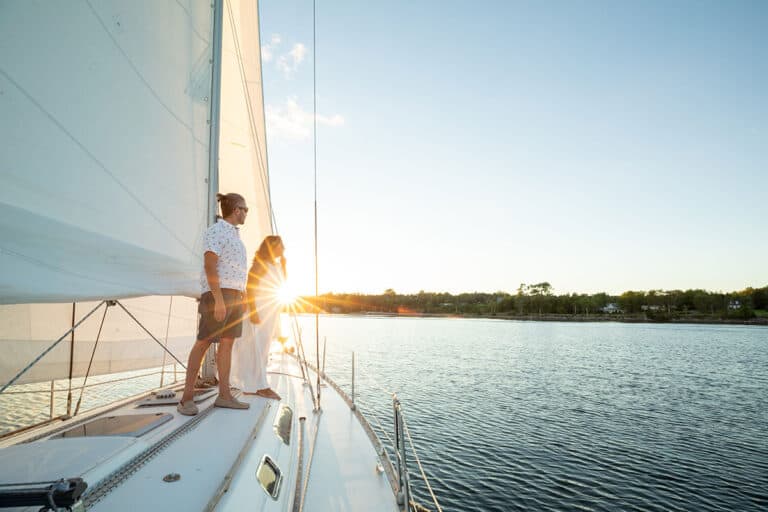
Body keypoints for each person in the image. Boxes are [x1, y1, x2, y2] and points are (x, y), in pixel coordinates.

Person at [177, 193, 251, 415]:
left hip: (235, 296)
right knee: (204, 342)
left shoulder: (236, 236)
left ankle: (224, 395)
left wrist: (243, 296)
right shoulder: (216, 231)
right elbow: (210, 266)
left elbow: (237, 269)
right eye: (245, 209)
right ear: (236, 209)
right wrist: (218, 299)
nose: (247, 213)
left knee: (227, 343)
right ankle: (186, 399)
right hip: (218, 295)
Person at [230, 235, 286, 400]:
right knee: (257, 349)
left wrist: (284, 263)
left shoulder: (275, 265)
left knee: (262, 349)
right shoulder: (261, 265)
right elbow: (251, 287)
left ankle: (252, 385)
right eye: (280, 246)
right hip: (259, 311)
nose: (283, 249)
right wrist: (254, 312)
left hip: (269, 312)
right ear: (272, 248)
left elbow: (282, 284)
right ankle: (261, 386)